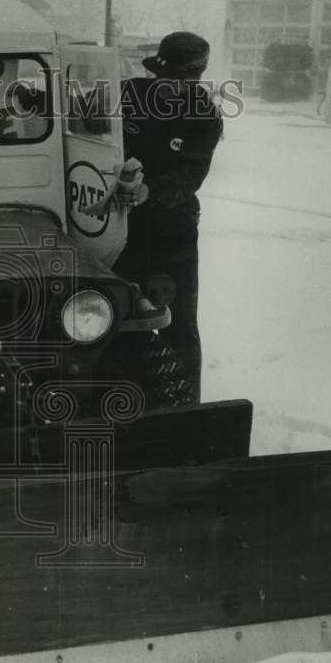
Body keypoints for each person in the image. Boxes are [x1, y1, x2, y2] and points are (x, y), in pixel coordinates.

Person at [112, 32, 224, 404]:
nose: (174, 90)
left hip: (169, 235)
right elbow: (74, 104)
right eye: (168, 81)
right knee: (109, 317)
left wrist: (151, 192)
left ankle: (187, 416)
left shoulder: (204, 115)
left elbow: (191, 174)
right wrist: (33, 98)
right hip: (116, 229)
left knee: (177, 325)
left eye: (185, 83)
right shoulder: (129, 93)